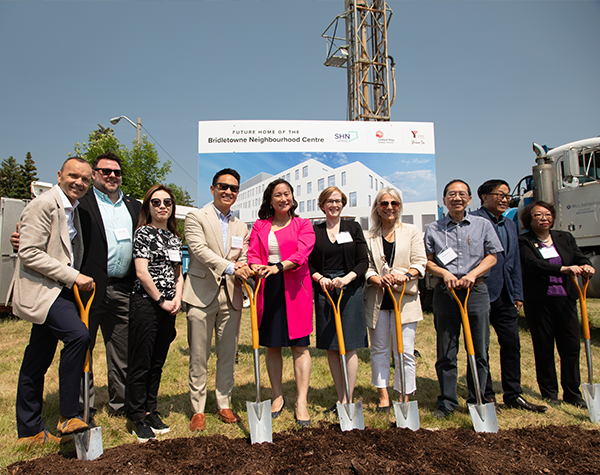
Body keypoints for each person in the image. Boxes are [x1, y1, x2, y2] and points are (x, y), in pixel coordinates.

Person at [10, 151, 141, 418]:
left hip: (124, 287)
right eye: (105, 171)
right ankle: (83, 409)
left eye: (116, 172)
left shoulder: (133, 205)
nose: (112, 176)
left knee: (122, 352)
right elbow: (51, 235)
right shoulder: (80, 201)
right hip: (86, 289)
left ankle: (122, 405)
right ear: (95, 175)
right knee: (83, 347)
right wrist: (21, 239)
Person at [9, 157, 94, 444]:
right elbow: (30, 253)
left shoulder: (73, 209)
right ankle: (68, 414)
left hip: (58, 291)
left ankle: (29, 431)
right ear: (59, 175)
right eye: (73, 176)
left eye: (84, 179)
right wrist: (74, 277)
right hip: (44, 290)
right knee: (78, 336)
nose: (79, 182)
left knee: (37, 359)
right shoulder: (44, 204)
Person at [424, 179, 503, 419]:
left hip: (476, 291)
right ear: (444, 200)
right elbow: (427, 260)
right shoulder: (434, 228)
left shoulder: (482, 225)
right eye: (451, 194)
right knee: (446, 349)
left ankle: (477, 398)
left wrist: (472, 274)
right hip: (446, 293)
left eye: (462, 194)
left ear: (469, 199)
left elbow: (492, 257)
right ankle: (447, 402)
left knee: (479, 348)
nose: (457, 198)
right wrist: (444, 273)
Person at [183, 168, 252, 432]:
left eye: (233, 188)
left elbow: (243, 254)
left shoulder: (240, 225)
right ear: (212, 189)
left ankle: (224, 403)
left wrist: (244, 265)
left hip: (231, 296)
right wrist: (233, 267)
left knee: (227, 354)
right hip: (201, 294)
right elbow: (199, 250)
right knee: (198, 355)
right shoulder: (195, 216)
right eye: (223, 186)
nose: (228, 191)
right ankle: (198, 408)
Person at [470, 180, 547, 413]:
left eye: (507, 195)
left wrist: (517, 292)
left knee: (512, 345)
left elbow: (513, 262)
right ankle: (486, 394)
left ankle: (513, 394)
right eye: (499, 194)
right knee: (480, 347)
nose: (505, 199)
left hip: (506, 294)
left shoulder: (510, 225)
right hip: (481, 291)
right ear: (483, 196)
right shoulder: (472, 221)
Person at [248, 179, 315, 427]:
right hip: (268, 287)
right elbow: (254, 253)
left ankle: (302, 401)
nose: (283, 198)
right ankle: (277, 396)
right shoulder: (260, 225)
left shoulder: (303, 224)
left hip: (295, 288)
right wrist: (257, 266)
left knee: (299, 347)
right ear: (270, 199)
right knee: (272, 346)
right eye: (278, 195)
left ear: (292, 198)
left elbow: (302, 253)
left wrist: (278, 266)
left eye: (287, 194)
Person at [519, 200, 595, 408]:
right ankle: (549, 392)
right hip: (540, 301)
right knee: (544, 347)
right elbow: (533, 264)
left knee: (571, 347)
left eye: (547, 215)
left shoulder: (565, 238)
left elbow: (580, 257)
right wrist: (564, 269)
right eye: (538, 215)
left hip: (566, 299)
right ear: (529, 219)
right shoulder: (524, 241)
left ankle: (572, 393)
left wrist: (586, 266)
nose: (544, 218)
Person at [126, 185, 183, 442]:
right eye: (156, 202)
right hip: (147, 304)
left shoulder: (174, 237)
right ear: (148, 206)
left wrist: (177, 299)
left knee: (158, 361)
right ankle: (137, 416)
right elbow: (141, 272)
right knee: (142, 360)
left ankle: (151, 410)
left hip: (169, 307)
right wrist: (161, 300)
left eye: (167, 202)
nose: (162, 206)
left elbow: (178, 274)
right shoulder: (143, 234)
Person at [363, 188, 426, 411]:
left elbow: (420, 262)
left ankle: (404, 396)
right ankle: (383, 395)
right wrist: (375, 279)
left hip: (404, 300)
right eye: (384, 204)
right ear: (377, 208)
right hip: (379, 300)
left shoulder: (411, 231)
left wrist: (405, 275)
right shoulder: (369, 236)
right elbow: (367, 267)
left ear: (399, 207)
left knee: (405, 351)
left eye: (394, 203)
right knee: (379, 349)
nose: (389, 207)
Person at [308, 187, 368, 413]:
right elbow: (308, 263)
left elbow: (363, 261)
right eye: (329, 201)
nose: (334, 205)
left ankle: (348, 400)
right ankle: (340, 396)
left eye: (338, 201)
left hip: (349, 288)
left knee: (349, 346)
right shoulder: (315, 231)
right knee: (332, 347)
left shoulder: (353, 227)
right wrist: (321, 278)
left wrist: (347, 278)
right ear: (322, 205)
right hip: (325, 289)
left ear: (343, 204)